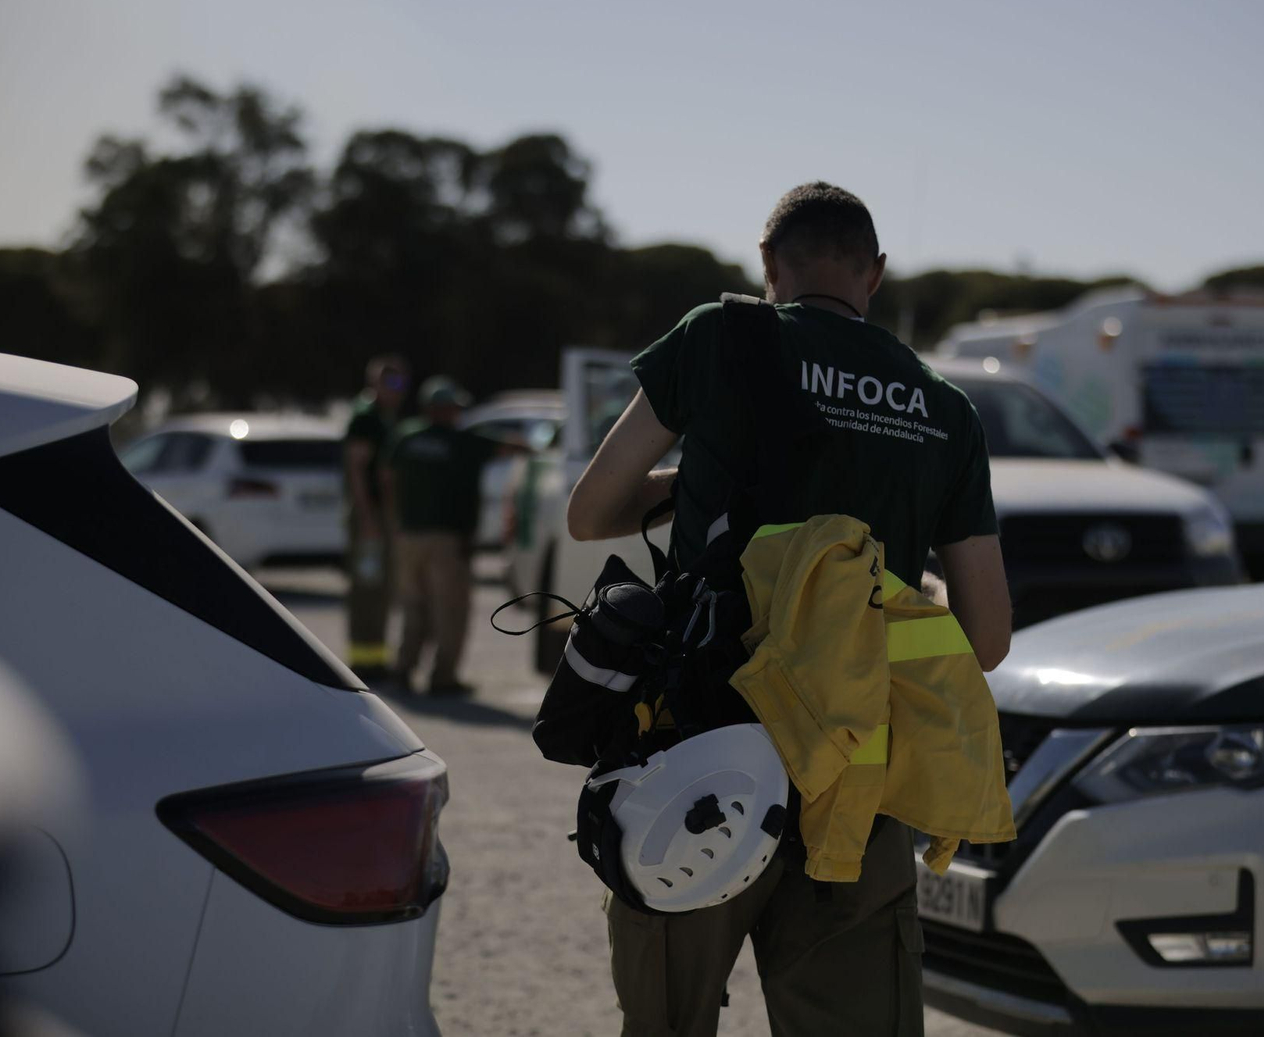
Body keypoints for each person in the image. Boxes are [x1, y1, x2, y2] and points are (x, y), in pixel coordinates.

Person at [566, 182, 1012, 1037]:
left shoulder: (718, 337)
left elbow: (591, 513)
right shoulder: (945, 411)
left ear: (769, 264)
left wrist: (697, 486)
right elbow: (985, 639)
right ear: (874, 273)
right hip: (854, 779)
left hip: (697, 757)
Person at [381, 375, 521, 697]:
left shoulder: (405, 437)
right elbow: (512, 446)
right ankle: (443, 677)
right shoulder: (463, 442)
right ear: (443, 410)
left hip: (409, 536)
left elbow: (387, 478)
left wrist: (397, 522)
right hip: (447, 539)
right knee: (450, 609)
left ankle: (403, 669)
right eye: (453, 408)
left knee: (414, 605)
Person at [342, 354, 409, 681]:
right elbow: (356, 470)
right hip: (369, 512)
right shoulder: (366, 417)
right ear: (375, 383)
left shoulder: (387, 417)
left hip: (382, 513)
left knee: (382, 588)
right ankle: (362, 661)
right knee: (367, 588)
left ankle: (376, 659)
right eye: (390, 382)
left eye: (400, 383)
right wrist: (367, 518)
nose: (396, 390)